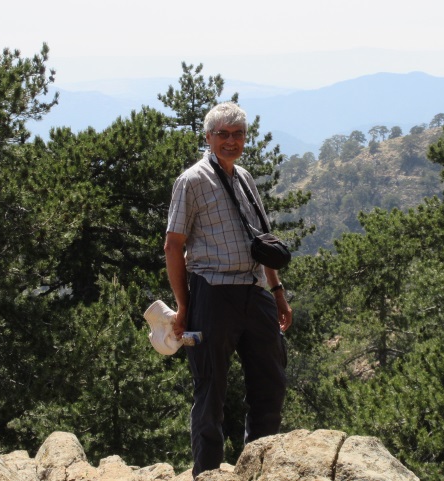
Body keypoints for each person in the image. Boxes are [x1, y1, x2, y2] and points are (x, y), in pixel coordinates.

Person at [164, 102, 292, 478]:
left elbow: (263, 242)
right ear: (208, 137)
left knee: (270, 383)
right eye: (222, 134)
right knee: (210, 391)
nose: (231, 141)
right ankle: (207, 473)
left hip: (254, 292)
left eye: (237, 134)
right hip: (212, 292)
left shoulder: (244, 178)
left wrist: (277, 291)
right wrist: (183, 306)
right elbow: (173, 246)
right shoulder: (191, 181)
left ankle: (259, 467)